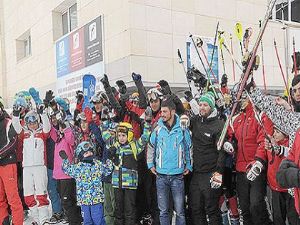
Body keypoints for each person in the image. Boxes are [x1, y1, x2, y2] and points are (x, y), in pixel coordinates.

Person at [226, 92, 271, 225]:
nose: (242, 101)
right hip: (241, 169)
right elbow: (230, 136)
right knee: (244, 207)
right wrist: (230, 144)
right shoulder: (236, 119)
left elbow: (263, 140)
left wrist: (259, 161)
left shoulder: (259, 116)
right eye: (240, 99)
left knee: (256, 205)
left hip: (256, 168)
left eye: (245, 98)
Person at [147, 97, 192, 225]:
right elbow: (151, 146)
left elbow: (189, 147)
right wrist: (150, 164)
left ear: (172, 112)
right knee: (163, 211)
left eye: (165, 112)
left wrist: (189, 164)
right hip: (161, 176)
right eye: (161, 112)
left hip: (177, 176)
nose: (162, 114)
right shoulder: (157, 128)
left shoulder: (182, 128)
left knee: (180, 211)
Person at [188, 92, 226, 225]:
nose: (202, 107)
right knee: (195, 208)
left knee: (212, 209)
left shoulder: (219, 124)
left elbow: (222, 151)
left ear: (211, 107)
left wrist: (219, 172)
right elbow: (183, 116)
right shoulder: (196, 120)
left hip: (211, 172)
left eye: (205, 105)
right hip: (197, 172)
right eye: (200, 105)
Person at [12, 106, 51, 225]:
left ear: (37, 122)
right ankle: (36, 219)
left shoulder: (42, 133)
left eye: (34, 122)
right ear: (27, 124)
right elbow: (16, 126)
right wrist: (16, 114)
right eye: (30, 123)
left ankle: (44, 219)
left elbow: (47, 127)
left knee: (41, 193)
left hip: (40, 166)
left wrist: (42, 113)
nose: (32, 125)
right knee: (28, 194)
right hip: (27, 167)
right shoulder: (24, 134)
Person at [60, 141, 113, 225]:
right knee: (87, 220)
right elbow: (67, 169)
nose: (89, 154)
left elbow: (107, 170)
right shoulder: (78, 167)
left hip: (96, 199)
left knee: (98, 219)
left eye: (90, 151)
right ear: (80, 155)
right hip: (84, 201)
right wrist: (65, 160)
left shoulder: (97, 164)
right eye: (86, 153)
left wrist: (109, 159)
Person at [110, 120, 151, 225]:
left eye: (124, 135)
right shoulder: (115, 146)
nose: (121, 138)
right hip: (117, 183)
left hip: (130, 184)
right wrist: (105, 120)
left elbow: (145, 137)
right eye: (119, 135)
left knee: (130, 209)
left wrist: (147, 123)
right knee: (118, 209)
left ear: (129, 135)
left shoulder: (134, 146)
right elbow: (105, 135)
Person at [50, 110, 82, 225]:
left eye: (62, 126)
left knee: (68, 201)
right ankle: (74, 220)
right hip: (58, 175)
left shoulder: (69, 136)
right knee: (66, 201)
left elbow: (71, 140)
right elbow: (50, 130)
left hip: (67, 175)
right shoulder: (58, 138)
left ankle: (75, 221)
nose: (61, 128)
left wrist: (65, 126)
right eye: (60, 127)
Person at [265, 125, 299, 225]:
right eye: (274, 131)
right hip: (275, 188)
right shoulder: (271, 144)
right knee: (278, 218)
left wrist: (279, 149)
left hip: (290, 190)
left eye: (278, 132)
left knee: (293, 218)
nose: (274, 134)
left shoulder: (291, 145)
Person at [0, 97, 23, 225]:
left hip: (8, 164)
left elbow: (14, 142)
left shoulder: (8, 122)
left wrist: (0, 154)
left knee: (12, 198)